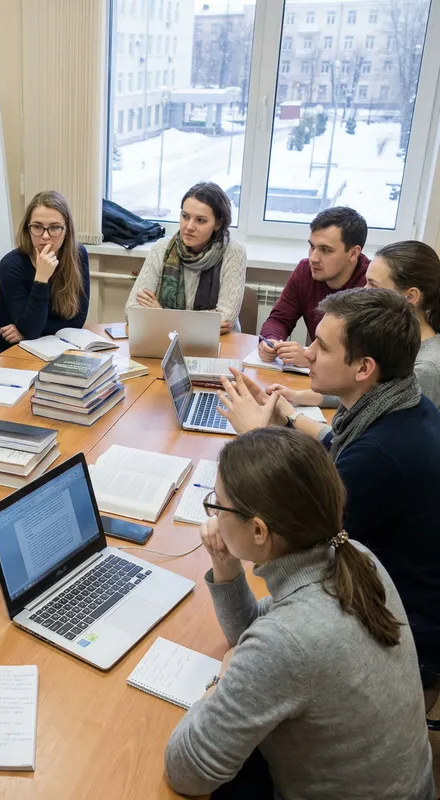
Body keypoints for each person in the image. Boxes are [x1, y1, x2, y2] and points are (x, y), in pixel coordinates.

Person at [165, 427, 434, 799]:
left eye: (217, 504)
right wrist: (224, 561)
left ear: (258, 530)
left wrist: (221, 685)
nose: (212, 512)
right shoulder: (355, 556)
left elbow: (187, 772)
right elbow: (252, 633)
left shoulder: (287, 641)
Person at [218, 288, 440, 704]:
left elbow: (296, 536)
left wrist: (255, 441)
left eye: (322, 345)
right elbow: (334, 452)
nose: (308, 354)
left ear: (363, 368)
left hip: (405, 634)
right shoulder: (403, 406)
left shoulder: (381, 454)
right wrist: (283, 416)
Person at [282, 240, 440, 409]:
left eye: (373, 285)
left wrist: (293, 416)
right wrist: (299, 397)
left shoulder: (425, 369)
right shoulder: (393, 340)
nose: (363, 290)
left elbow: (384, 423)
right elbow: (371, 395)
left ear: (410, 296)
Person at [125, 181, 247, 334]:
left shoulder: (233, 252)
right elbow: (132, 311)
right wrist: (204, 324)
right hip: (165, 340)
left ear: (218, 224)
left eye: (200, 220)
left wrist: (162, 315)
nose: (189, 226)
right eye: (185, 216)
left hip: (220, 345)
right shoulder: (162, 248)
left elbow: (225, 319)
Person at [258, 206, 368, 367]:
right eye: (312, 246)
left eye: (326, 250)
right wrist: (271, 341)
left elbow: (365, 355)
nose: (313, 258)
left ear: (353, 253)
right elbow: (279, 319)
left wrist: (313, 358)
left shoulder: (370, 283)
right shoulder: (305, 271)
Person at [0, 190, 90, 359]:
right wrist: (41, 278)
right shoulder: (11, 264)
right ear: (28, 228)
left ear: (67, 229)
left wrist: (26, 331)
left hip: (56, 347)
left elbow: (77, 321)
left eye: (55, 227)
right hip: (8, 350)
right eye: (37, 227)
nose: (45, 236)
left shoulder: (78, 255)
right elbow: (31, 329)